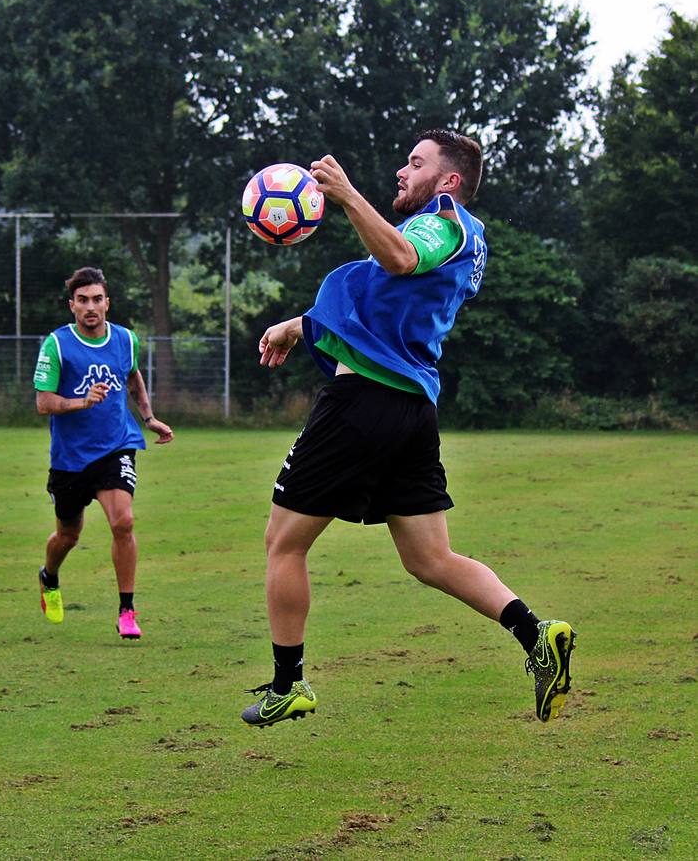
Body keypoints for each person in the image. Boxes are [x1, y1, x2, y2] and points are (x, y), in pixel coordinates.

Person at [241, 129, 576, 728]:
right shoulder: (452, 236)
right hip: (409, 409)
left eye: (415, 163)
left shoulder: (440, 222)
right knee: (430, 558)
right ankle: (537, 635)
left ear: (448, 182)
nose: (401, 170)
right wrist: (297, 325)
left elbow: (399, 258)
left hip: (363, 403)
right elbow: (382, 296)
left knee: (283, 542)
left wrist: (345, 195)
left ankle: (289, 684)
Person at [33, 266, 173, 639]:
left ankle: (127, 610)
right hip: (70, 458)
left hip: (116, 445)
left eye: (97, 299)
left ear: (107, 303)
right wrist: (82, 402)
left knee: (123, 522)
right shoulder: (57, 345)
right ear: (72, 306)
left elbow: (131, 375)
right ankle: (49, 577)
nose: (90, 307)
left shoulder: (126, 339)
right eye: (83, 301)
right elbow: (44, 403)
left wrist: (148, 417)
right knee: (67, 536)